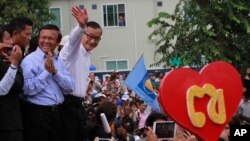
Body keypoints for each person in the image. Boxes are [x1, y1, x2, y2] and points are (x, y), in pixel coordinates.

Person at [20, 24, 75, 141]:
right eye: (43, 37)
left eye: (50, 38)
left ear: (57, 42)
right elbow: (27, 89)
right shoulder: (29, 61)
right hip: (37, 114)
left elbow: (70, 87)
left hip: (58, 112)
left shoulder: (59, 61)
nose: (46, 41)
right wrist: (46, 72)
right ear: (38, 39)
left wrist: (55, 73)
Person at [59, 5, 102, 141]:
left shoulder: (87, 55)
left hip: (78, 104)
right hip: (66, 103)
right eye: (89, 36)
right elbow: (73, 40)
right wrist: (81, 26)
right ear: (83, 34)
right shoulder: (71, 49)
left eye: (97, 38)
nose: (93, 41)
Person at [0, 25, 23, 141]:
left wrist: (14, 63)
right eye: (8, 38)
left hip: (12, 123)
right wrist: (14, 64)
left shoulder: (10, 59)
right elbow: (4, 89)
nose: (11, 42)